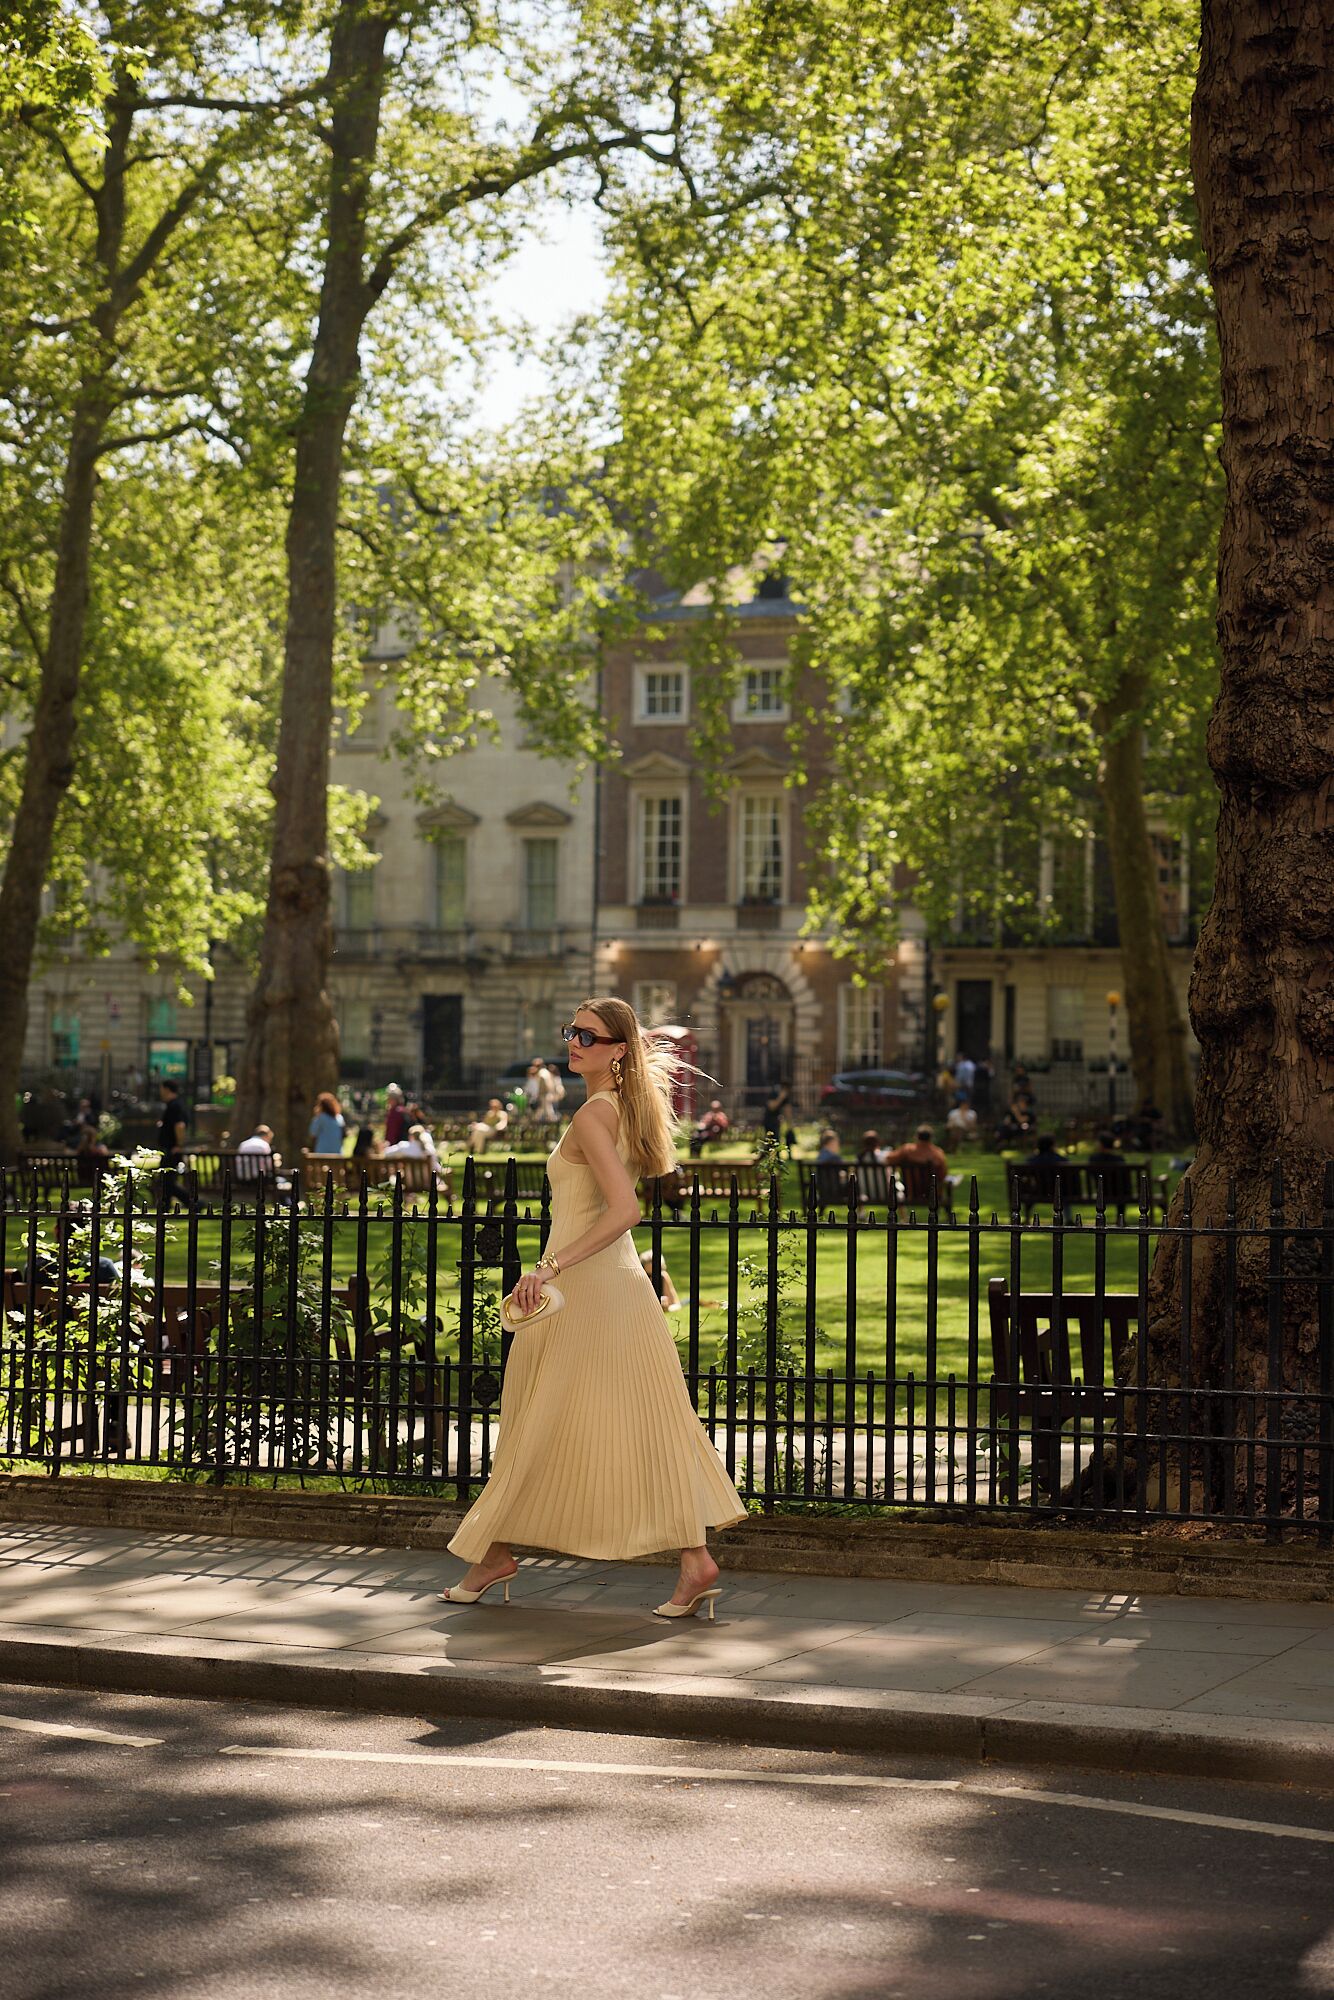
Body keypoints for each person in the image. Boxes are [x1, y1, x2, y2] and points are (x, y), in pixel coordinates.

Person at [441, 996, 746, 1618]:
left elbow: (626, 1210)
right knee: (627, 1420)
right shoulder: (619, 1109)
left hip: (587, 1291)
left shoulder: (593, 1115)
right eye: (572, 1031)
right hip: (610, 1288)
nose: (573, 1043)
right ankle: (691, 1562)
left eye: (588, 1035)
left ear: (619, 1050)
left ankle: (496, 1554)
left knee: (541, 1417)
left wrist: (548, 1267)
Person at [885, 1123, 949, 1181]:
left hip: (909, 1189)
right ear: (931, 1138)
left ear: (917, 1136)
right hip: (932, 1190)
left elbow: (889, 1159)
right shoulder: (937, 1154)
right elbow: (943, 1175)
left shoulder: (907, 1150)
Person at [762, 1082, 797, 1159]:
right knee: (769, 1140)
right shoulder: (774, 1093)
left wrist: (790, 1125)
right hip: (769, 1120)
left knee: (777, 1140)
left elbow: (788, 1110)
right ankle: (767, 1156)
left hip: (777, 1121)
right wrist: (780, 1097)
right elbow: (772, 1107)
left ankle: (777, 1157)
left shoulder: (785, 1097)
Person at [308, 1091, 345, 1156]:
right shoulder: (339, 1118)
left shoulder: (321, 1117)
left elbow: (313, 1133)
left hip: (322, 1151)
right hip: (337, 1152)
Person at [383, 1084, 407, 1148]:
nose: (387, 1100)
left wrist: (388, 1146)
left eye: (389, 1098)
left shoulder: (395, 1112)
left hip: (396, 1147)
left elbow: (392, 1133)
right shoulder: (403, 1110)